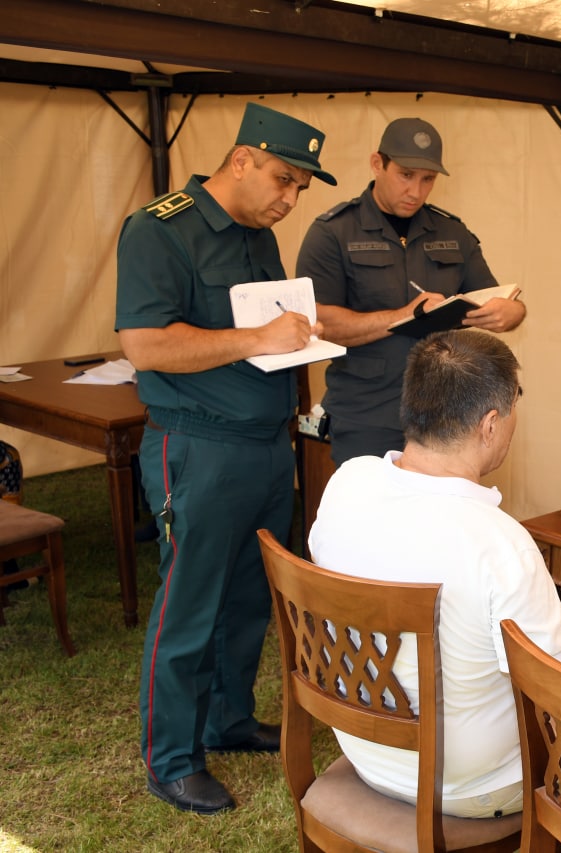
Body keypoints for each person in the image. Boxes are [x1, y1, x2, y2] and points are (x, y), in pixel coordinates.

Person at [115, 102, 336, 815]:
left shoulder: (258, 233)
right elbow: (145, 344)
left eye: (301, 187)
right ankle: (172, 759)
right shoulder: (159, 229)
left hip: (266, 445)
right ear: (241, 160)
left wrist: (294, 337)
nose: (290, 199)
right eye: (283, 180)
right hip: (199, 446)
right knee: (190, 605)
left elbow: (260, 328)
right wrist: (258, 341)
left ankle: (227, 719)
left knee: (246, 600)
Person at [307, 329, 561, 818]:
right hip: (471, 785)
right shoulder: (502, 543)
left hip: (365, 750)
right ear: (490, 425)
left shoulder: (347, 482)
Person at [297, 117, 526, 467]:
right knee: (373, 504)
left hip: (446, 415)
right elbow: (319, 323)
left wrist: (512, 313)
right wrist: (405, 315)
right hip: (367, 414)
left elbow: (498, 298)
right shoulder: (334, 232)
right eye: (405, 175)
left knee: (441, 504)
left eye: (427, 179)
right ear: (377, 164)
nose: (416, 191)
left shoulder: (451, 232)